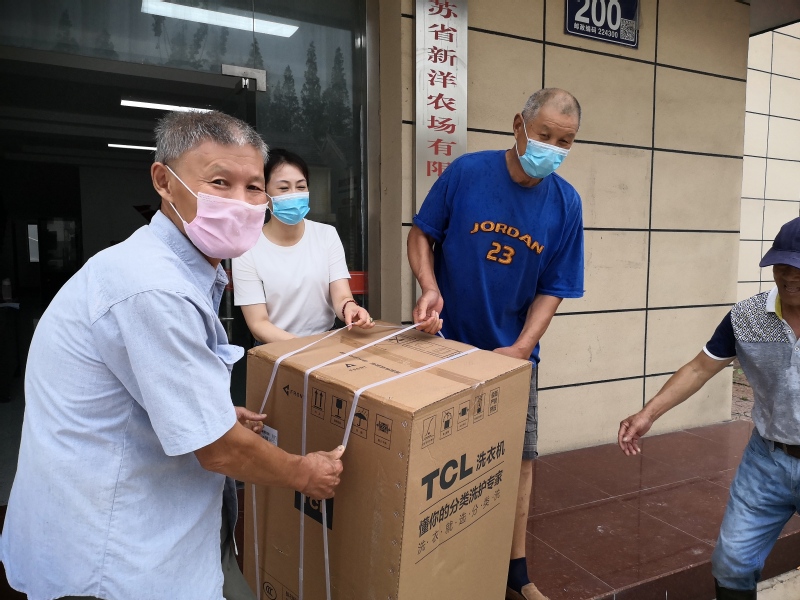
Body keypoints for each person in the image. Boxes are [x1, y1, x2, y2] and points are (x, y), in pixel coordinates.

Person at [0, 110, 344, 600]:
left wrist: (212, 410)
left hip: (141, 533)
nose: (240, 202)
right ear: (164, 181)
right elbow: (218, 449)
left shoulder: (181, 270)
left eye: (253, 187)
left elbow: (146, 386)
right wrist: (304, 474)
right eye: (220, 182)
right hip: (113, 559)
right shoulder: (153, 286)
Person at [408, 88, 585, 600]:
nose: (552, 148)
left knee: (519, 461)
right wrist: (429, 287)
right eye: (545, 135)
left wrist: (524, 348)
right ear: (518, 125)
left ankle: (516, 571)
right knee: (438, 459)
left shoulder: (566, 203)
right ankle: (437, 564)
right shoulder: (468, 172)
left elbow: (555, 286)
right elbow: (422, 234)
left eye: (565, 141)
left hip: (511, 355)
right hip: (443, 343)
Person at [618, 217, 800, 600]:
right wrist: (647, 414)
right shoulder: (748, 316)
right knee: (732, 563)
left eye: (798, 267)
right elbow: (700, 368)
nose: (788, 276)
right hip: (767, 460)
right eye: (781, 264)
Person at [232, 148, 373, 342]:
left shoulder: (327, 235)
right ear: (264, 193)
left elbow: (341, 297)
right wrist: (303, 348)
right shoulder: (246, 248)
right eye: (283, 188)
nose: (294, 195)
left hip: (326, 341)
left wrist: (351, 308)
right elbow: (258, 324)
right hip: (275, 348)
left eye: (301, 186)